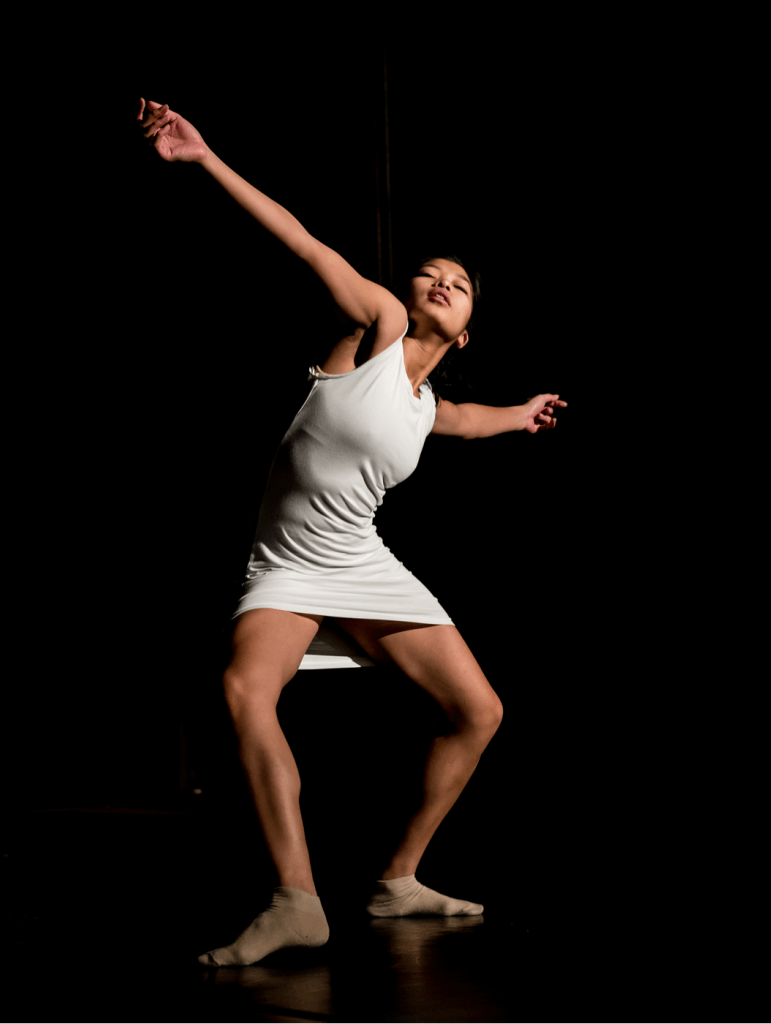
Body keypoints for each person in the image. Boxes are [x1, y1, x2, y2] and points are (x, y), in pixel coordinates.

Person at [137, 97, 566, 967]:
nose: (440, 280)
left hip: (361, 561)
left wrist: (522, 416)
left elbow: (470, 419)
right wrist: (205, 156)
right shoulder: (381, 331)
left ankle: (396, 880)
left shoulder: (422, 408)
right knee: (243, 693)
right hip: (291, 563)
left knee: (479, 711)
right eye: (428, 272)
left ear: (470, 325)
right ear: (404, 293)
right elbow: (301, 241)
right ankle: (296, 900)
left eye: (460, 281)